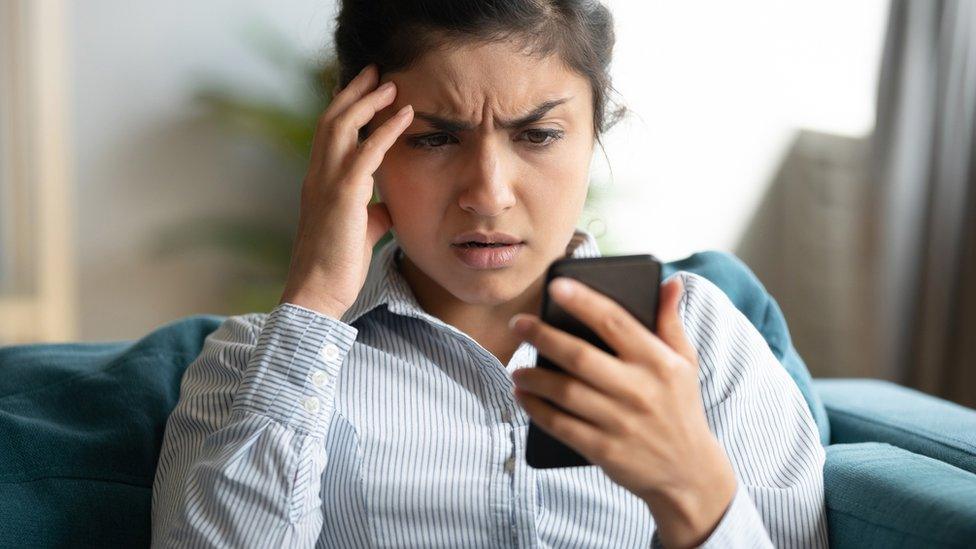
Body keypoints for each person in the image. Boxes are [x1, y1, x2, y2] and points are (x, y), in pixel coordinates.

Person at [150, 0, 829, 547]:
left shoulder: (704, 343)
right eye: (434, 138)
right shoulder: (252, 366)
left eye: (537, 135)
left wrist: (696, 490)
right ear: (357, 141)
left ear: (596, 130)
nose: (489, 193)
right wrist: (313, 306)